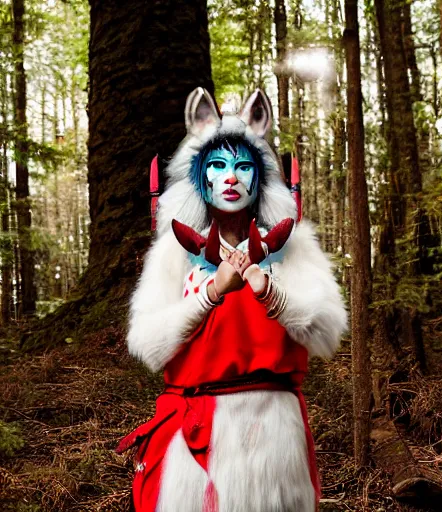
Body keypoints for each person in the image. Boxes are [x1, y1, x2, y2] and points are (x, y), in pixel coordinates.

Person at [117, 88, 347, 512]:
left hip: (273, 435)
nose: (230, 178)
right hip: (196, 434)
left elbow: (327, 330)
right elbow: (148, 343)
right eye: (218, 165)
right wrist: (210, 293)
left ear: (259, 177)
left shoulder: (293, 247)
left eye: (242, 166)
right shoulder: (173, 251)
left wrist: (272, 293)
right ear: (200, 176)